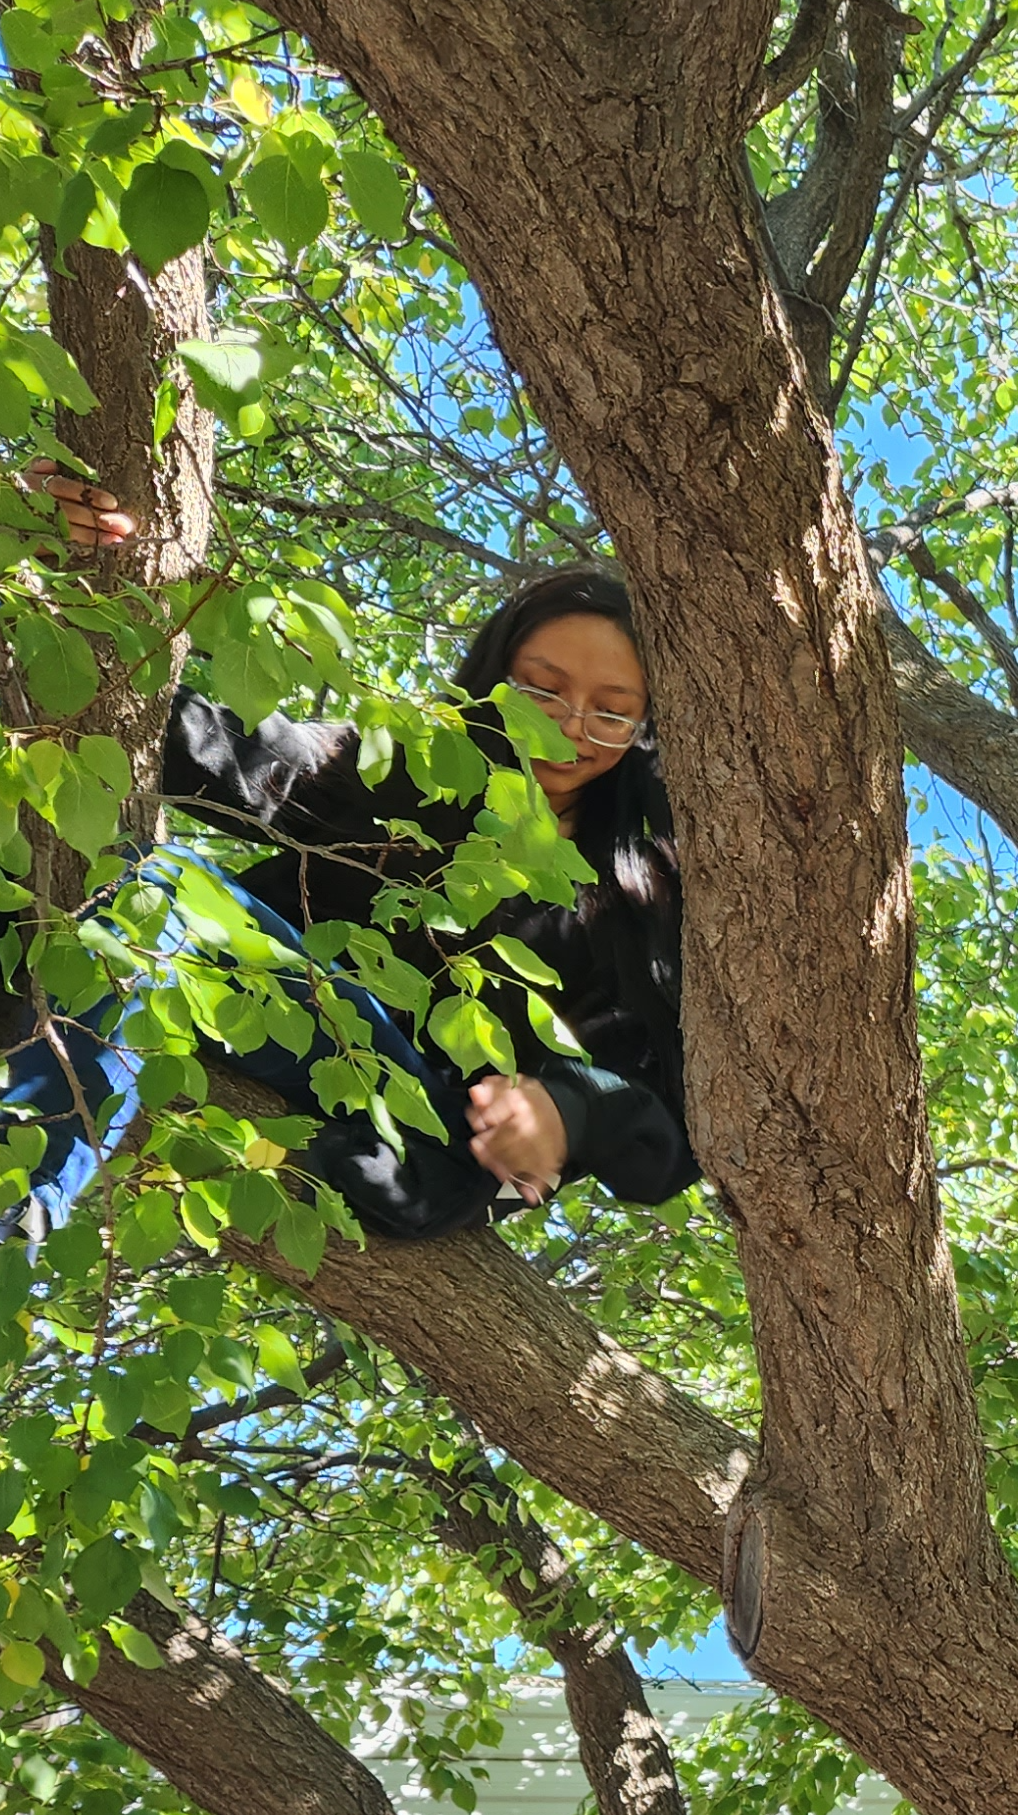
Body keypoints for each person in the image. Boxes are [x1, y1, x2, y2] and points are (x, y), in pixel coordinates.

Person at [6, 466, 689, 1241]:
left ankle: (12, 1197)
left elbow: (678, 1111)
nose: (570, 727)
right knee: (72, 864)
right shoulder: (403, 773)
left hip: (418, 1143)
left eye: (612, 713)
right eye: (541, 690)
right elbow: (196, 745)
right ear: (493, 682)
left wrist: (569, 1111)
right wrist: (40, 580)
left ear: (647, 731)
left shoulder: (645, 891)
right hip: (269, 1023)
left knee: (154, 897)